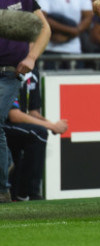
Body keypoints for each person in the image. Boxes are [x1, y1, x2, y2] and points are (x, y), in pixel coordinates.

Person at [0, 0, 51, 203]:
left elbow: (44, 28)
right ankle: (7, 160)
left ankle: (2, 189)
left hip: (9, 72)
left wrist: (31, 57)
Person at [5, 70, 68, 200]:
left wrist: (53, 124)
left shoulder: (33, 72)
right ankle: (29, 193)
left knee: (35, 133)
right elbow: (14, 115)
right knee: (37, 133)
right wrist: (52, 126)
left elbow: (33, 112)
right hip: (4, 123)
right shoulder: (9, 68)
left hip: (16, 126)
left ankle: (20, 193)